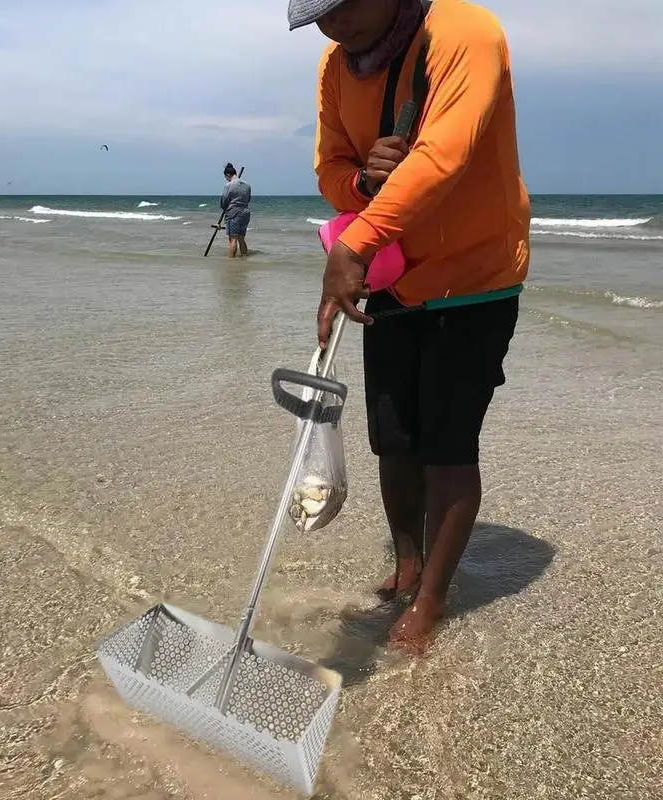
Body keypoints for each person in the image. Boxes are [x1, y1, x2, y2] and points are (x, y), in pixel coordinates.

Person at [288, 0, 530, 648]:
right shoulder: (336, 66)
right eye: (317, 16)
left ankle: (431, 600)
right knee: (393, 437)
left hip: (473, 280)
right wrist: (363, 180)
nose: (331, 25)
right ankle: (407, 567)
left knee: (447, 444)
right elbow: (329, 169)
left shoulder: (464, 35)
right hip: (392, 273)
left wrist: (354, 245)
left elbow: (443, 158)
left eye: (340, 7)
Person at [219, 163, 252, 258]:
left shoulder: (229, 185)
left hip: (233, 213)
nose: (226, 179)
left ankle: (231, 263)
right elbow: (248, 199)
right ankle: (244, 258)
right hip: (245, 213)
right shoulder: (247, 185)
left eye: (226, 177)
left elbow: (224, 202)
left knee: (233, 239)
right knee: (241, 238)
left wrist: (226, 209)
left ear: (228, 175)